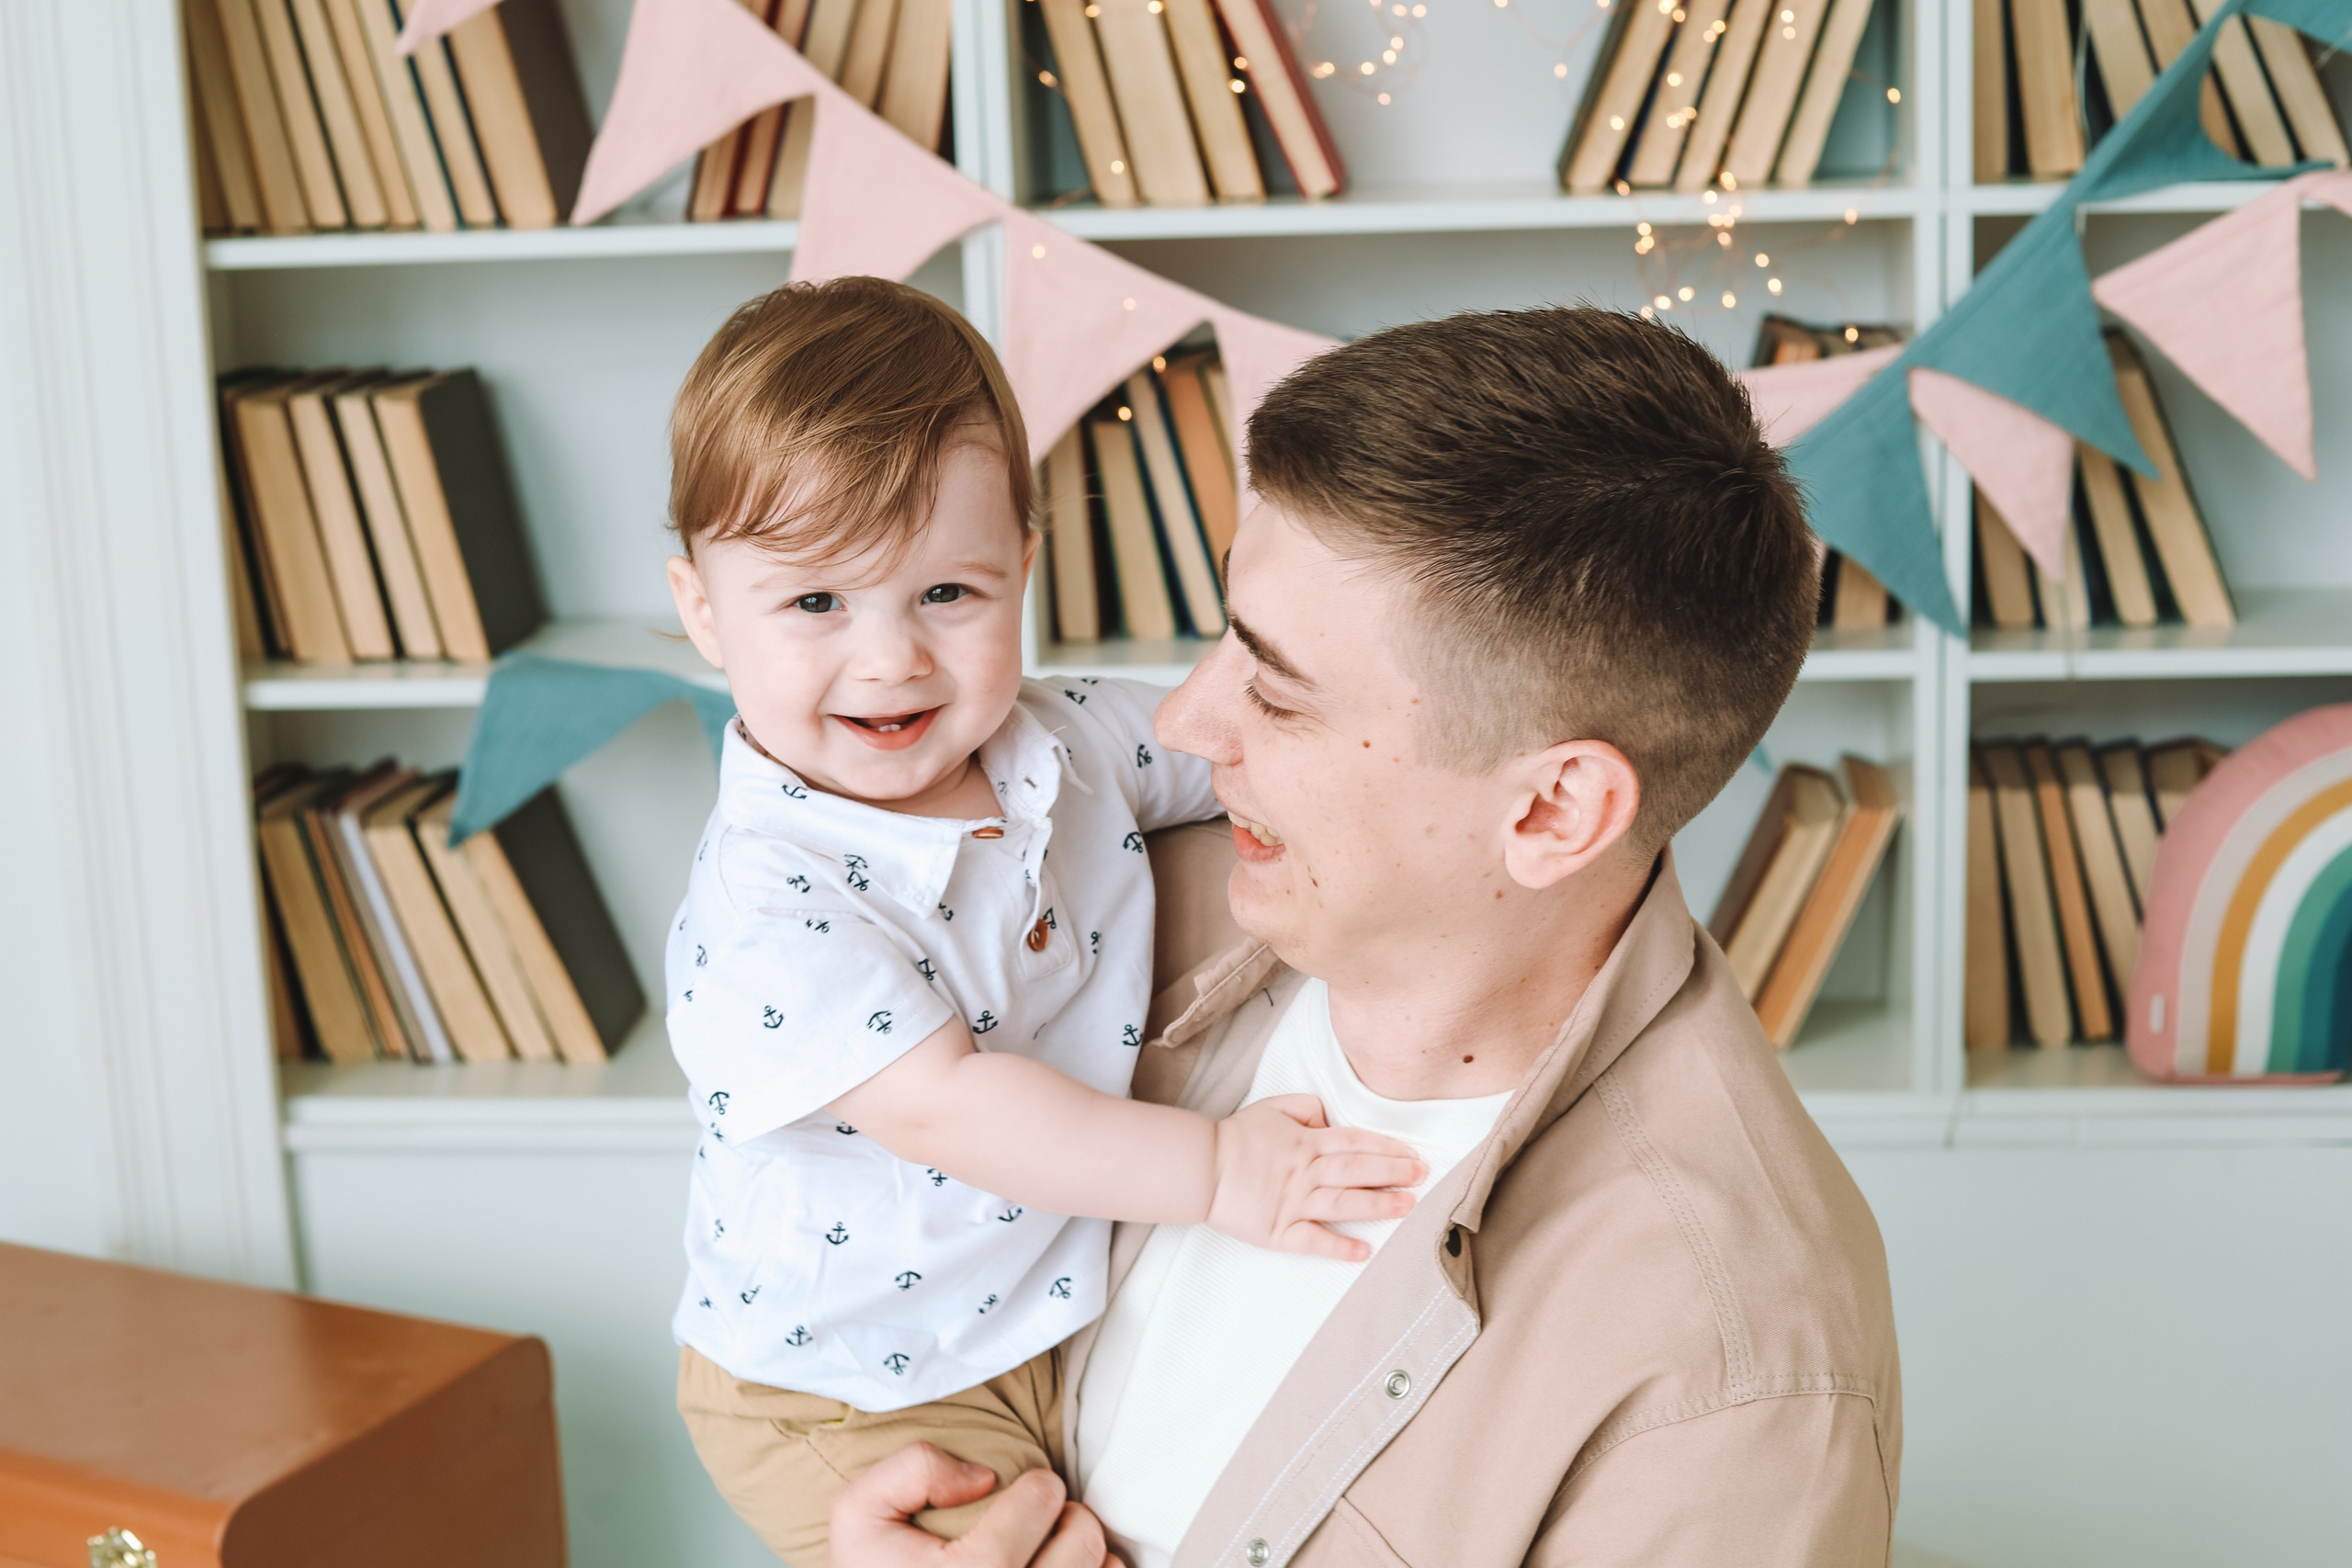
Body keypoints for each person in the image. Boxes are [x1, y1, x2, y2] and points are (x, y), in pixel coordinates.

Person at [830, 306, 1903, 1568]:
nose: (1181, 722)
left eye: (1275, 689)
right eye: (1225, 640)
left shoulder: (1731, 1379)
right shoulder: (1103, 902)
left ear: (1554, 810)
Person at [658, 277, 1428, 1568]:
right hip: (842, 1381)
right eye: (813, 605)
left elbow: (1228, 747)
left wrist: (1405, 754)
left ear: (1023, 560)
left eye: (946, 595)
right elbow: (953, 1110)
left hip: (1030, 1315)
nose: (890, 657)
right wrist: (1222, 1173)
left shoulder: (1065, 740)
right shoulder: (770, 898)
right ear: (702, 612)